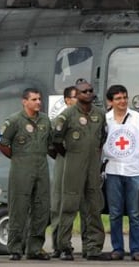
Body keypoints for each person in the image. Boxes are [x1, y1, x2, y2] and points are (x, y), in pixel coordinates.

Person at [52, 79, 110, 261]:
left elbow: (103, 137)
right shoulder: (67, 115)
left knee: (93, 206)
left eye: (91, 91)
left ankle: (92, 248)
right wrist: (70, 155)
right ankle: (64, 247)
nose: (89, 93)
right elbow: (55, 140)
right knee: (69, 206)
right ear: (76, 95)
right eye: (85, 91)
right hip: (73, 166)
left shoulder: (100, 114)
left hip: (92, 166)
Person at [0, 87, 52, 261]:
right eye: (34, 99)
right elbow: (3, 144)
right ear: (24, 101)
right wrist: (17, 157)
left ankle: (35, 248)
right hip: (21, 169)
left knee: (41, 208)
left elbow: (50, 143)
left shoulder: (45, 120)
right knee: (18, 208)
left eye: (39, 99)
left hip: (41, 168)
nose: (38, 102)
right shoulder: (14, 120)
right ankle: (15, 248)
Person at [103, 85, 139, 261]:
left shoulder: (138, 118)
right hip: (113, 171)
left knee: (135, 213)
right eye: (118, 98)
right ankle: (117, 249)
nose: (123, 101)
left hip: (135, 171)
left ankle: (137, 250)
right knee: (115, 213)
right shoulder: (105, 120)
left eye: (124, 97)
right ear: (110, 101)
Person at [50, 85, 88, 258]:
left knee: (86, 205)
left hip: (84, 165)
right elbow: (50, 146)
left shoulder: (88, 119)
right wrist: (64, 156)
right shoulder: (60, 119)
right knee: (60, 204)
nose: (79, 99)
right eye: (75, 97)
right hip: (64, 163)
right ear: (67, 100)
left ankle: (89, 246)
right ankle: (60, 245)